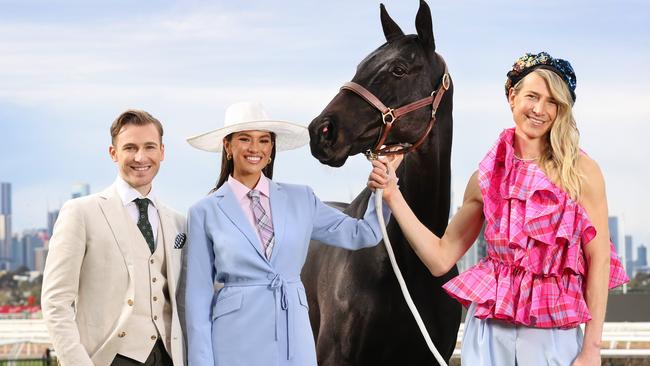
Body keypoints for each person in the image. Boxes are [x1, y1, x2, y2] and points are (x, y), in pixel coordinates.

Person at [368, 51, 628, 366]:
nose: (540, 109)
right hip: (489, 330)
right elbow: (440, 258)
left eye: (552, 101)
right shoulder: (485, 178)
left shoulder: (582, 172)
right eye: (532, 96)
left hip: (554, 333)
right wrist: (393, 194)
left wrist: (592, 349)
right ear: (512, 96)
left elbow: (598, 261)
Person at [183, 101, 394, 366]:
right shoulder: (204, 212)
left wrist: (382, 193)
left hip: (293, 337)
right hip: (233, 340)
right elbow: (197, 300)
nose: (255, 148)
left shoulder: (301, 199)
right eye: (245, 139)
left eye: (263, 140)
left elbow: (362, 233)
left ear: (271, 149)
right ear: (228, 146)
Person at [42, 110, 187, 366]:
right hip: (107, 358)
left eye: (149, 147)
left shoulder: (178, 222)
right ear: (113, 153)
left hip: (169, 357)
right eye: (130, 147)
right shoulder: (81, 213)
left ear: (162, 152)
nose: (140, 157)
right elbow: (55, 302)